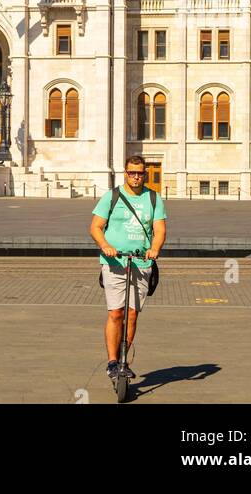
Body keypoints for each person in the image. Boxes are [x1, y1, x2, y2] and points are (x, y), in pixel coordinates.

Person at [90, 154, 167, 382]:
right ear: (125, 173)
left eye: (140, 173)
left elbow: (160, 229)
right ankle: (112, 362)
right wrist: (105, 245)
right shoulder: (111, 196)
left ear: (145, 174)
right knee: (116, 313)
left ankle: (124, 358)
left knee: (132, 315)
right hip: (114, 263)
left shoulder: (153, 199)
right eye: (132, 173)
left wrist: (154, 249)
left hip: (142, 262)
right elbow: (96, 227)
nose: (136, 177)